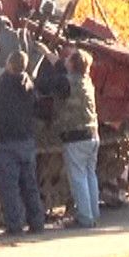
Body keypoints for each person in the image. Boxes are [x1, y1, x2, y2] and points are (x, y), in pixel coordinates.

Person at [0, 50, 45, 236]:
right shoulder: (29, 84)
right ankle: (37, 223)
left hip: (7, 142)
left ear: (10, 64)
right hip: (27, 141)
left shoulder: (3, 84)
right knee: (30, 185)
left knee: (9, 187)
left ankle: (15, 226)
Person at [37, 45, 100, 228]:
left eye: (68, 58)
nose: (65, 59)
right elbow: (62, 71)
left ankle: (85, 218)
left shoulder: (65, 83)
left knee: (78, 178)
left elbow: (45, 84)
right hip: (92, 135)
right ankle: (93, 214)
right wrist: (48, 54)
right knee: (90, 176)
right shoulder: (86, 81)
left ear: (72, 64)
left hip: (76, 137)